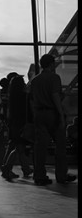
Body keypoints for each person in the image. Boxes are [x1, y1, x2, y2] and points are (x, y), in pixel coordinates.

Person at [29, 54, 76, 185]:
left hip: (39, 114)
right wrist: (61, 115)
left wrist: (35, 115)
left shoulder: (35, 80)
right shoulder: (54, 78)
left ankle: (39, 175)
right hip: (52, 113)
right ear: (51, 64)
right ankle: (61, 175)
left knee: (40, 147)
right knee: (60, 145)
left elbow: (32, 100)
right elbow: (55, 96)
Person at [0, 73, 33, 181]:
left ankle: (26, 169)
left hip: (14, 125)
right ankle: (7, 168)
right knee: (18, 148)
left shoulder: (12, 97)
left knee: (18, 148)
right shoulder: (24, 96)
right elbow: (28, 111)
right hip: (21, 125)